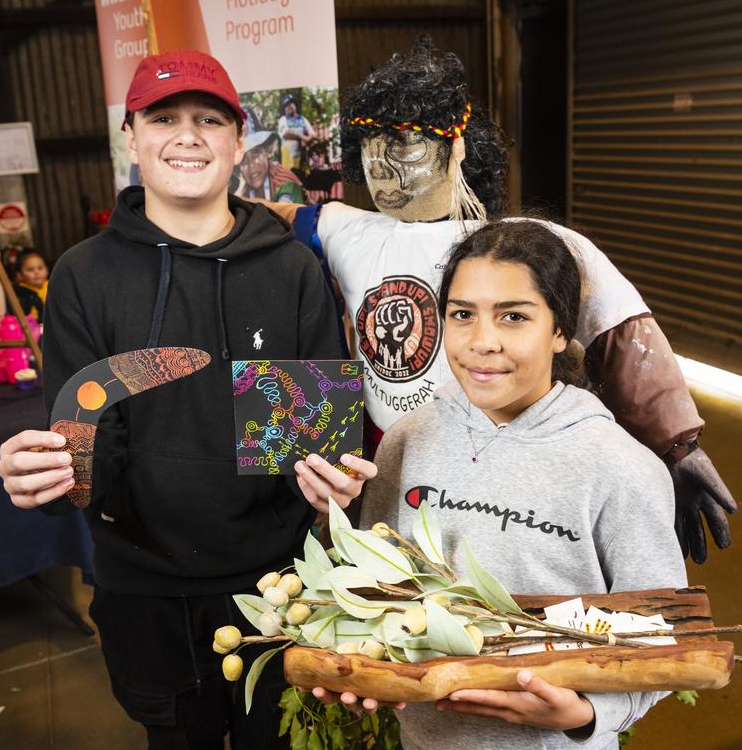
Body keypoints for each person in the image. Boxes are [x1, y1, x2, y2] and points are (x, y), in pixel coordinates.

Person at [0, 49, 376, 750]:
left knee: (272, 741)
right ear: (132, 137)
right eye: (164, 119)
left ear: (238, 140)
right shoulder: (85, 276)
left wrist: (325, 483)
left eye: (208, 119)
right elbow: (85, 440)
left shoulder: (289, 269)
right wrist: (47, 472)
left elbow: (305, 444)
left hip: (274, 576)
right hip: (140, 578)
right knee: (177, 743)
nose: (187, 137)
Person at [318, 219, 688, 750]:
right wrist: (361, 661)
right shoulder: (408, 439)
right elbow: (390, 582)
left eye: (513, 316)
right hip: (434, 747)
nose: (482, 341)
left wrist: (589, 717)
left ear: (560, 330)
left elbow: (658, 642)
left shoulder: (616, 468)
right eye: (462, 313)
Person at [264, 36, 736, 563]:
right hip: (384, 457)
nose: (384, 168)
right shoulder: (341, 229)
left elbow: (618, 330)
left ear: (458, 145)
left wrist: (675, 443)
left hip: (497, 454)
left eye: (405, 144)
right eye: (371, 148)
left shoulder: (521, 245)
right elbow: (234, 222)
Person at [237, 129, 306, 204]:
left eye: (255, 155)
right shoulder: (245, 193)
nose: (251, 166)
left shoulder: (284, 183)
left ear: (266, 153)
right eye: (243, 161)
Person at [277, 94, 317, 173]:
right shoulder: (283, 119)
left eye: (290, 104)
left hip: (303, 156)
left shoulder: (303, 119)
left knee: (304, 180)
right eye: (286, 106)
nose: (289, 107)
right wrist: (302, 137)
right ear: (284, 109)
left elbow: (313, 134)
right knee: (291, 179)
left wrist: (309, 139)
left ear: (295, 105)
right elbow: (286, 133)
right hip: (288, 158)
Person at [13, 248, 50, 321]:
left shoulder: (51, 285)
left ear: (47, 270)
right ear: (20, 275)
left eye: (40, 268)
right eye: (30, 270)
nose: (36, 272)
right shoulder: (21, 291)